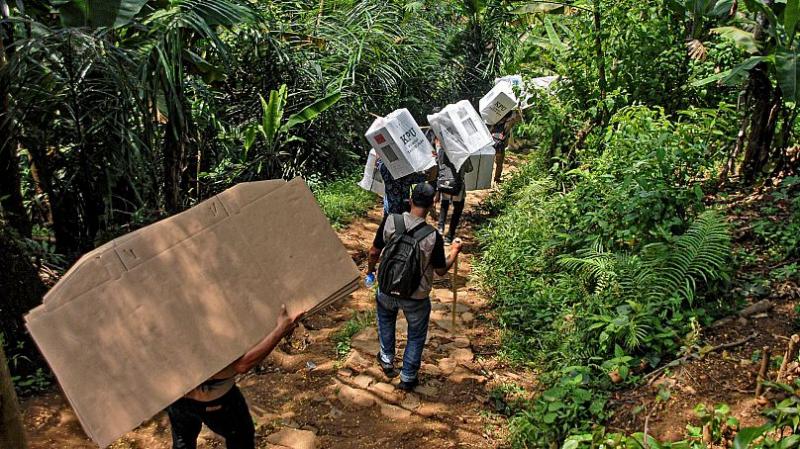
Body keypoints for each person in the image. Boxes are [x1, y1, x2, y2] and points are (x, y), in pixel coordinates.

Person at [365, 183, 463, 391]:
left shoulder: (391, 220)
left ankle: (386, 358)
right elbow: (441, 270)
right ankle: (408, 376)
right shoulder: (432, 236)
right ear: (433, 203)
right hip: (416, 296)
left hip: (387, 287)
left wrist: (371, 272)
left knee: (386, 319)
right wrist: (454, 250)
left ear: (410, 200)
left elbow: (374, 252)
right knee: (416, 335)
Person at [166, 305, 303, 449]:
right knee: (240, 437)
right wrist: (280, 330)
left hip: (178, 397)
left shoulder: (174, 317)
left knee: (183, 440)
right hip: (214, 401)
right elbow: (243, 365)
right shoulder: (208, 330)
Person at [435, 138, 466, 244]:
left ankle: (440, 228)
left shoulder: (442, 151)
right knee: (458, 209)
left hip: (445, 184)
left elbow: (438, 167)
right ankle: (449, 236)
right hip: (457, 186)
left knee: (444, 205)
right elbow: (468, 168)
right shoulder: (463, 152)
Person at [491, 110, 522, 184]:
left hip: (493, 142)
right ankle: (496, 179)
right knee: (499, 163)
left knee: (494, 162)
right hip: (499, 144)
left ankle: (494, 178)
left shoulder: (494, 121)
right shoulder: (508, 123)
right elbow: (519, 120)